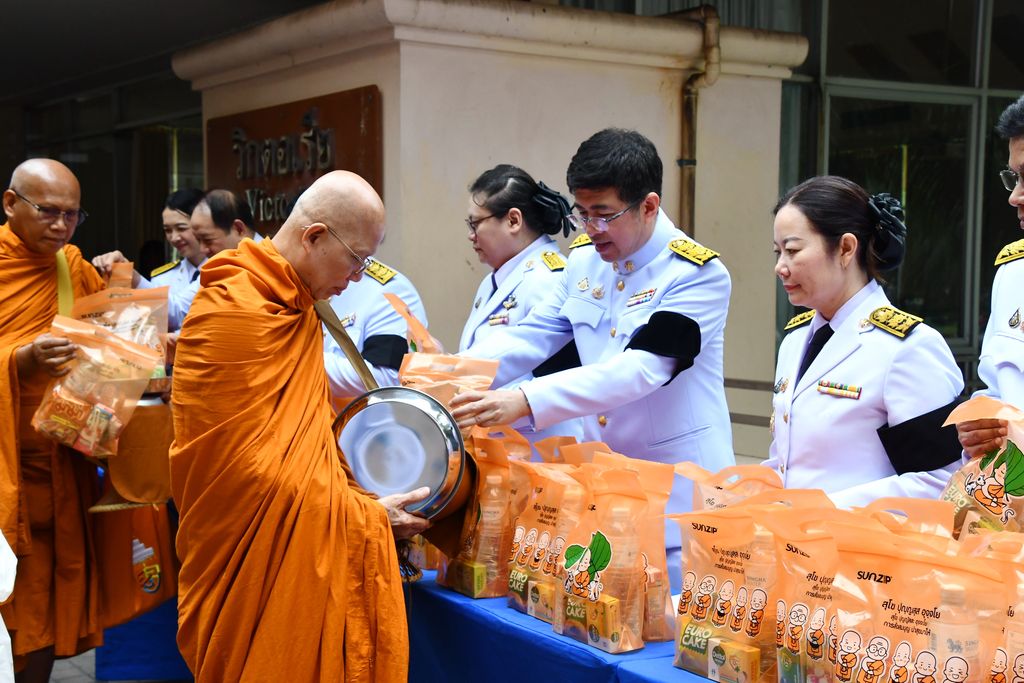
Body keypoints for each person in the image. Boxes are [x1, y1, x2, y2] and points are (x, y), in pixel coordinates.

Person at [170, 170, 430, 682]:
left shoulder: (296, 308)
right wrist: (365, 518)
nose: (358, 278)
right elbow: (246, 474)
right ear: (313, 236)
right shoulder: (236, 307)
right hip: (243, 555)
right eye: (356, 260)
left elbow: (303, 438)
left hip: (297, 534)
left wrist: (353, 496)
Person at [450, 129, 735, 588]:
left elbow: (643, 368)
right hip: (608, 487)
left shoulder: (697, 276)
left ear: (648, 205)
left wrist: (526, 398)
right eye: (582, 213)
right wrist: (446, 378)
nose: (590, 229)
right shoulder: (584, 262)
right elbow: (532, 335)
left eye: (604, 214)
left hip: (679, 495)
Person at [767, 175, 964, 506]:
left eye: (793, 251)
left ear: (845, 248)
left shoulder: (906, 348)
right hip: (795, 546)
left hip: (866, 549)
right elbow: (789, 460)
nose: (780, 267)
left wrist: (826, 509)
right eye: (777, 252)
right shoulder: (795, 340)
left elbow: (943, 480)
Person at [0, 159, 106, 681]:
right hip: (2, 472)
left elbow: (111, 342)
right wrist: (18, 361)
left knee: (39, 599)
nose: (62, 226)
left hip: (57, 467)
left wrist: (119, 283)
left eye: (73, 215)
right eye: (49, 212)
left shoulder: (71, 265)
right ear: (9, 203)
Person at [459, 164, 585, 447]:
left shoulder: (549, 279)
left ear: (513, 220)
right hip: (502, 443)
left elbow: (560, 377)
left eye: (475, 223)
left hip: (541, 446)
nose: (471, 235)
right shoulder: (494, 279)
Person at [958, 95, 1024, 458]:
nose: (1015, 197)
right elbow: (999, 389)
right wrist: (981, 422)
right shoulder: (1013, 275)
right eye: (1014, 177)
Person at [323, 257, 429, 407]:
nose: (357, 274)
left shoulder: (389, 290)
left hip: (351, 426)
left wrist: (295, 357)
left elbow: (387, 379)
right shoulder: (293, 277)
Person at [149, 188, 207, 331]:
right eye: (168, 230)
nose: (174, 238)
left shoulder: (226, 267)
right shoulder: (161, 280)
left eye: (181, 228)